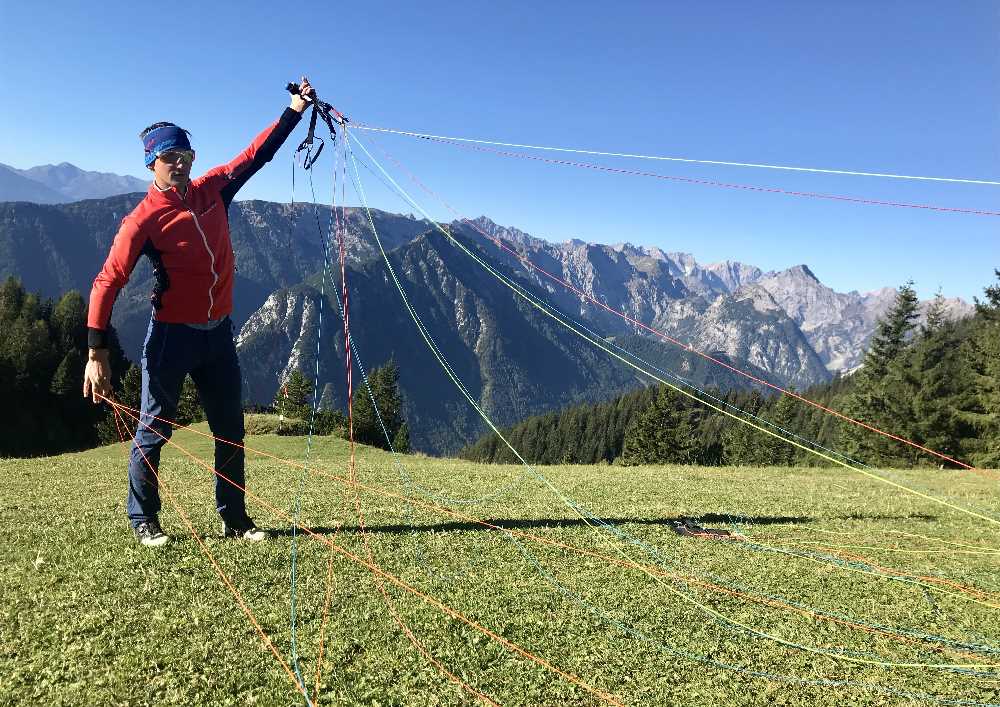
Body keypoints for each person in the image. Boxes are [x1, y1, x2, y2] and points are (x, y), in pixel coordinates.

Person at [83, 77, 318, 547]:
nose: (181, 164)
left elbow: (256, 155)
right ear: (152, 162)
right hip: (172, 337)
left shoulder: (213, 190)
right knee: (155, 429)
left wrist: (293, 110)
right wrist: (96, 352)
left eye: (186, 155)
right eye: (171, 157)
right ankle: (143, 520)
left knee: (230, 429)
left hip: (218, 335)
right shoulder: (142, 221)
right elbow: (107, 282)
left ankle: (236, 520)